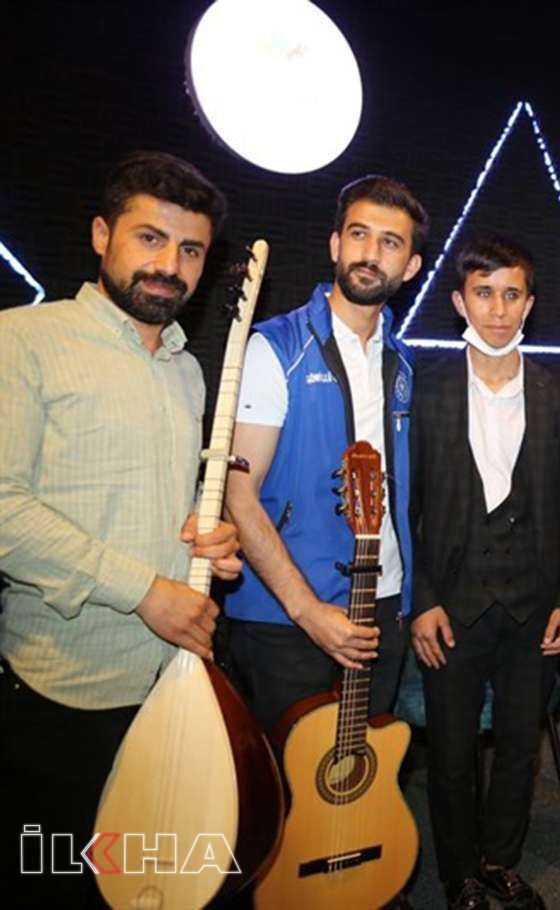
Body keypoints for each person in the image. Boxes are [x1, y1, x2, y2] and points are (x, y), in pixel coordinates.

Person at [0, 151, 241, 904]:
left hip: (169, 684)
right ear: (102, 235)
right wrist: (145, 590)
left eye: (191, 250)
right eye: (150, 239)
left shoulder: (187, 369)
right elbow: (3, 509)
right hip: (61, 691)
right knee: (56, 878)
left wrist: (208, 539)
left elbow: (163, 504)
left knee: (152, 880)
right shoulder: (21, 340)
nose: (170, 265)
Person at [409, 236, 560, 910]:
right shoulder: (425, 392)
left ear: (529, 304)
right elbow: (406, 508)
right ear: (460, 301)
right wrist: (422, 599)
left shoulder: (558, 396)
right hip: (451, 607)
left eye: (511, 294)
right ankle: (458, 873)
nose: (497, 308)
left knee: (519, 744)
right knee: (452, 750)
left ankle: (499, 861)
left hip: (534, 605)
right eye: (483, 293)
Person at [223, 175, 426, 735]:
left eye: (390, 242)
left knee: (365, 767)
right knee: (285, 779)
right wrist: (307, 610)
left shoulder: (404, 363)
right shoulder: (275, 347)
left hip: (382, 604)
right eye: (359, 234)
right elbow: (238, 495)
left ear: (411, 266)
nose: (370, 252)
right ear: (336, 244)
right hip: (284, 615)